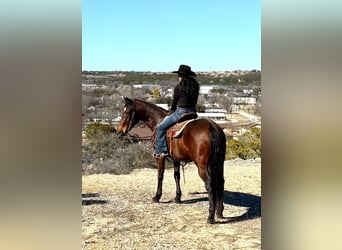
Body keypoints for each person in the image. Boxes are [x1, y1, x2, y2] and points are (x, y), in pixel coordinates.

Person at [154, 64, 200, 158]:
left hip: (181, 112)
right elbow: (195, 101)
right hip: (192, 112)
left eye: (179, 75)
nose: (178, 77)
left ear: (181, 76)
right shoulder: (195, 87)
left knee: (160, 128)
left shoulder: (179, 87)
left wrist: (171, 111)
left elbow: (174, 102)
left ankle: (162, 151)